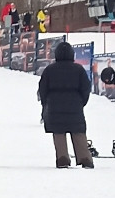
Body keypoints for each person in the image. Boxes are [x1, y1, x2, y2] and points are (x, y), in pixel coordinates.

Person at [38, 39, 93, 168]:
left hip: (55, 107)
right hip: (75, 107)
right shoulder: (78, 69)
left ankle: (62, 158)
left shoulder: (49, 70)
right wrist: (81, 102)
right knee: (78, 132)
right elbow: (86, 88)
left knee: (59, 133)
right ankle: (84, 158)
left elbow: (43, 89)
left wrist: (47, 104)